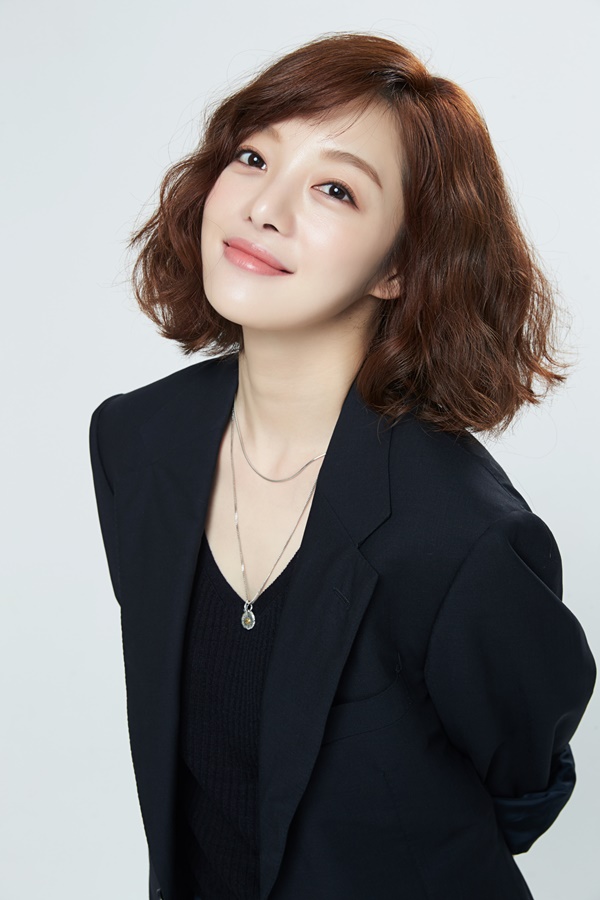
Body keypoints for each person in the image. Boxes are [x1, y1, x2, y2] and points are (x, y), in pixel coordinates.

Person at [89, 32, 596, 900]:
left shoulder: (465, 536)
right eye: (253, 157)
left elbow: (522, 786)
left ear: (399, 265)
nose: (264, 207)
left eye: (335, 188)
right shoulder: (137, 441)